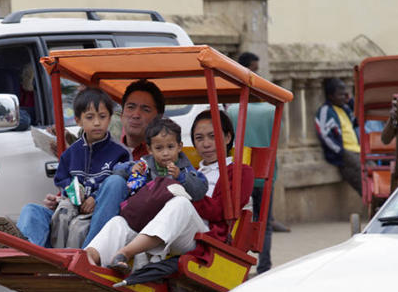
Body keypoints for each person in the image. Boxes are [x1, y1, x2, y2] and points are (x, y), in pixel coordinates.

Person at [0, 79, 165, 248]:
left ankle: (88, 252)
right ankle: (27, 249)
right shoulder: (75, 151)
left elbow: (132, 199)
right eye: (130, 107)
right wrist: (62, 197)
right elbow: (65, 181)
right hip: (71, 216)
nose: (135, 114)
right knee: (31, 210)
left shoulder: (155, 155)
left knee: (115, 182)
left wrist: (95, 198)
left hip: (105, 224)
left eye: (145, 109)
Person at [86, 110, 254, 273]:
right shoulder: (192, 170)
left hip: (202, 235)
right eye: (199, 138)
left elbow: (220, 211)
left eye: (213, 136)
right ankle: (87, 257)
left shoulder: (238, 171)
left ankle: (125, 253)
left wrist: (181, 190)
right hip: (167, 227)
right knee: (119, 222)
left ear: (227, 137)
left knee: (180, 202)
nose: (206, 143)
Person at [225, 52, 283, 274]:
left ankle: (237, 264)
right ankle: (265, 266)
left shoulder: (232, 111)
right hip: (267, 174)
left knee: (238, 222)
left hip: (241, 174)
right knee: (264, 224)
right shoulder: (273, 110)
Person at [314, 77, 363, 196]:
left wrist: (350, 101)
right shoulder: (326, 111)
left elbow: (358, 120)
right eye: (340, 95)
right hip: (345, 153)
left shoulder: (345, 108)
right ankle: (377, 203)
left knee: (374, 171)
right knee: (363, 178)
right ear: (330, 96)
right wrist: (340, 151)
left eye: (345, 94)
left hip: (358, 150)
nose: (343, 97)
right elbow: (325, 134)